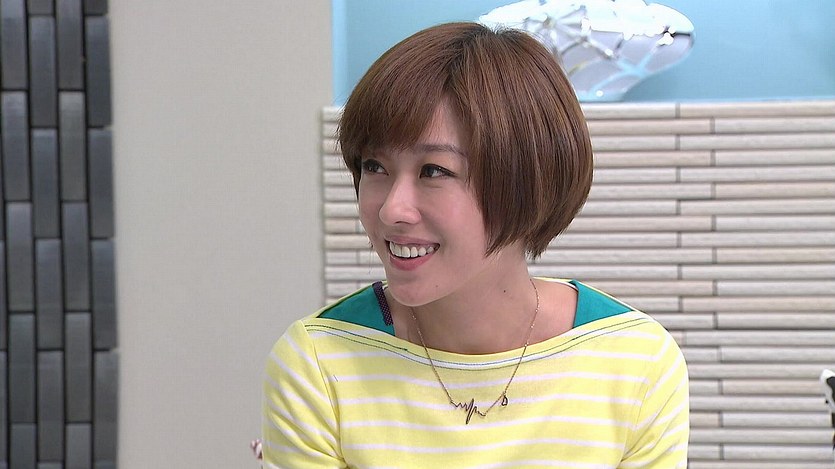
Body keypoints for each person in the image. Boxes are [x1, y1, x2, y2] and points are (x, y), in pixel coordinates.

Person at [262, 22, 689, 468]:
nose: (392, 209)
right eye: (374, 166)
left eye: (434, 170)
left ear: (526, 181)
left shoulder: (635, 361)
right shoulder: (318, 365)